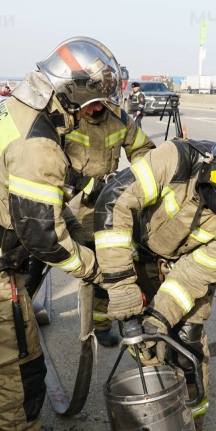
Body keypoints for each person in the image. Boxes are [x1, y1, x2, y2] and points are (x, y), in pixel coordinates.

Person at [0, 36, 121, 431]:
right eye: (95, 102)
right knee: (18, 380)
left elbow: (33, 202)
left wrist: (67, 219)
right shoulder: (40, 146)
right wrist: (92, 268)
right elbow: (42, 235)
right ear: (74, 92)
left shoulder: (12, 109)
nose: (96, 112)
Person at [94, 134, 216, 431]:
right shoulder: (176, 160)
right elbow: (114, 200)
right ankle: (155, 415)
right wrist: (122, 285)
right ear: (212, 172)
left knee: (187, 343)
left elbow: (196, 274)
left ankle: (190, 429)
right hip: (140, 252)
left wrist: (160, 317)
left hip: (184, 266)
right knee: (144, 343)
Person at [63, 100, 155, 347]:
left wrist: (141, 180)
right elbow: (47, 158)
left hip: (107, 198)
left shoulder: (120, 118)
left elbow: (143, 149)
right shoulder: (68, 118)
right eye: (88, 105)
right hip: (72, 197)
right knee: (47, 252)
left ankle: (101, 323)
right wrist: (84, 183)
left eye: (99, 104)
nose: (93, 110)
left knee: (108, 260)